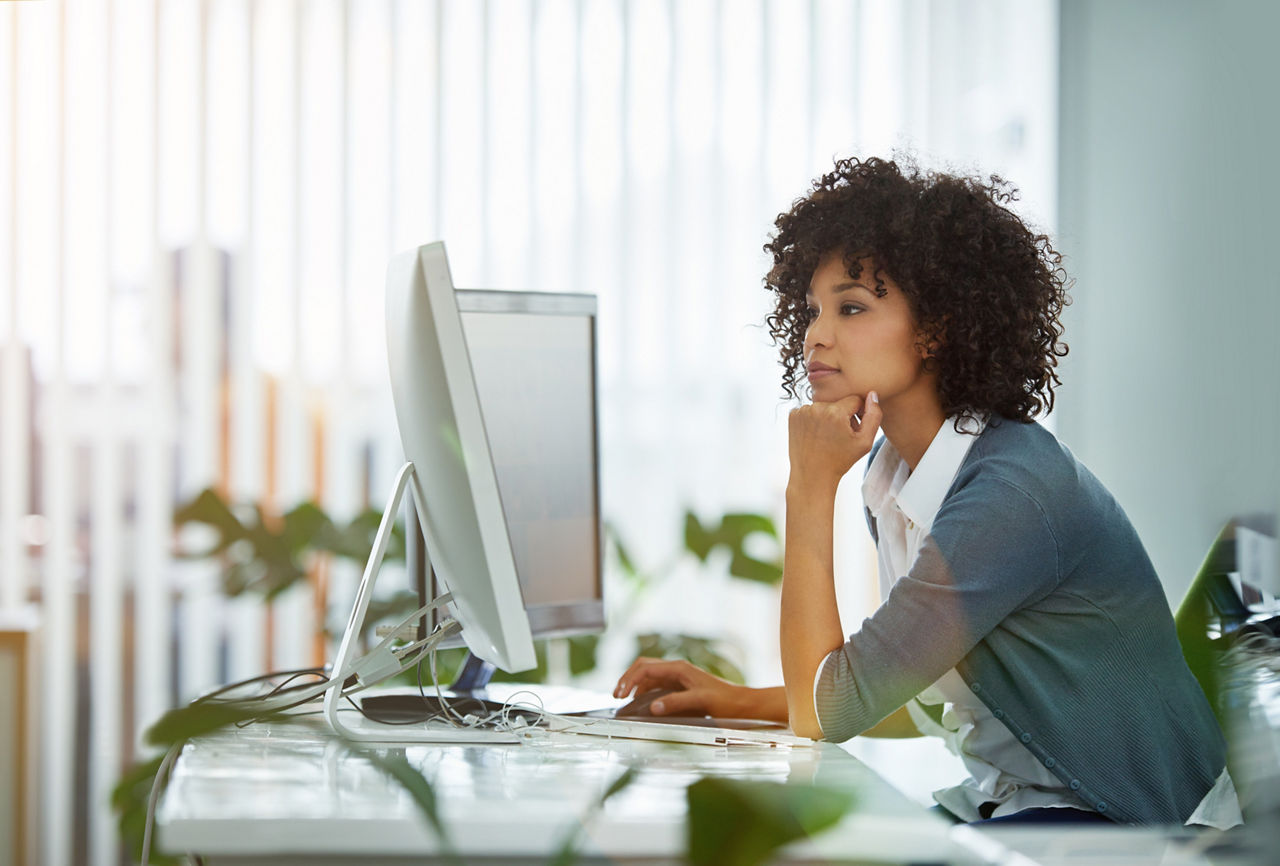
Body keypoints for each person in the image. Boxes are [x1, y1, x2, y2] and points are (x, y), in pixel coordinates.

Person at [613, 156, 1239, 827]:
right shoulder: (899, 477)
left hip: (1135, 829)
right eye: (813, 309)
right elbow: (912, 689)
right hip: (1021, 809)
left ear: (936, 327)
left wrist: (810, 487)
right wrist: (735, 700)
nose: (815, 335)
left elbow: (828, 715)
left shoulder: (1011, 496)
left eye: (851, 307)